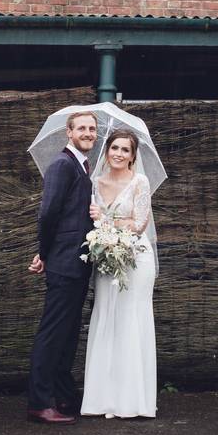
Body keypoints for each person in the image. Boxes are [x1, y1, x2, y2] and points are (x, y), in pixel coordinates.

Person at [81, 128, 158, 419]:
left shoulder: (140, 182)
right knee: (107, 317)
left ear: (133, 156)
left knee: (131, 320)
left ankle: (133, 400)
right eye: (115, 147)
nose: (119, 153)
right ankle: (104, 399)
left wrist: (105, 220)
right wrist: (103, 229)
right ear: (107, 150)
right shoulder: (93, 182)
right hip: (105, 258)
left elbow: (139, 224)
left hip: (136, 259)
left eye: (125, 150)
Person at [27, 111, 97, 425]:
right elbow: (47, 214)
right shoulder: (62, 165)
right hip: (64, 262)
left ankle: (66, 397)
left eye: (92, 129)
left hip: (77, 262)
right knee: (52, 333)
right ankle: (39, 403)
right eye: (81, 128)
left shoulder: (82, 166)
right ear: (68, 132)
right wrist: (45, 253)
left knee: (68, 334)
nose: (88, 133)